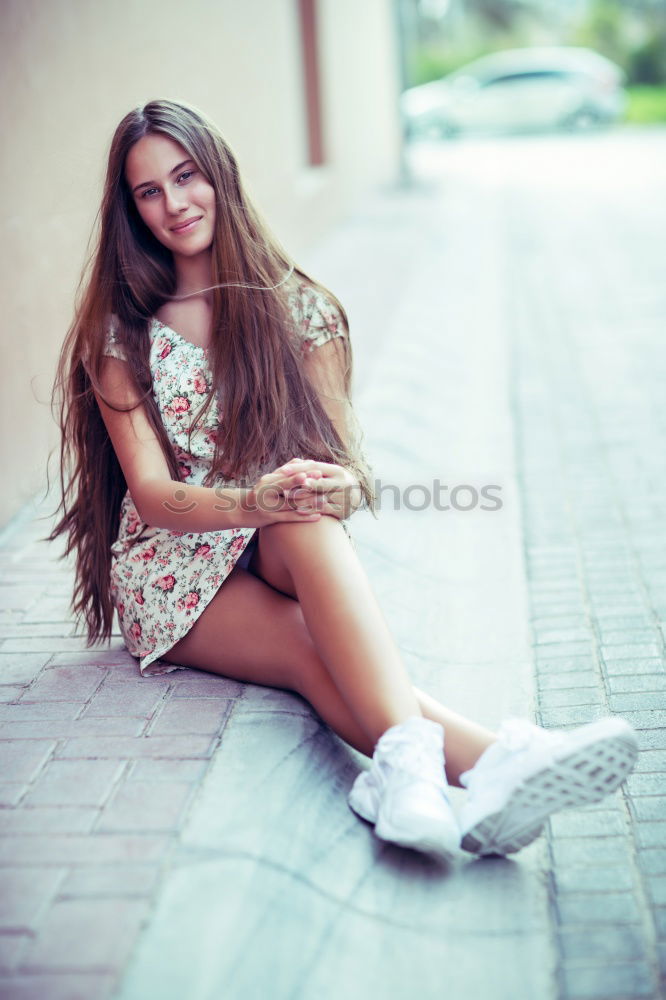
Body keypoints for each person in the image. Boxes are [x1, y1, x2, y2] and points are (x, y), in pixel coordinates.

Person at [48, 99, 637, 862]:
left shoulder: (303, 310)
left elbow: (346, 473)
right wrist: (260, 500)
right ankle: (487, 763)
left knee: (310, 521)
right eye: (149, 191)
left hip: (270, 539)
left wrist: (325, 491)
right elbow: (157, 499)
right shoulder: (121, 333)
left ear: (219, 176)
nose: (174, 204)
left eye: (185, 177)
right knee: (304, 644)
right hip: (171, 571)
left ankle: (416, 778)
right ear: (130, 209)